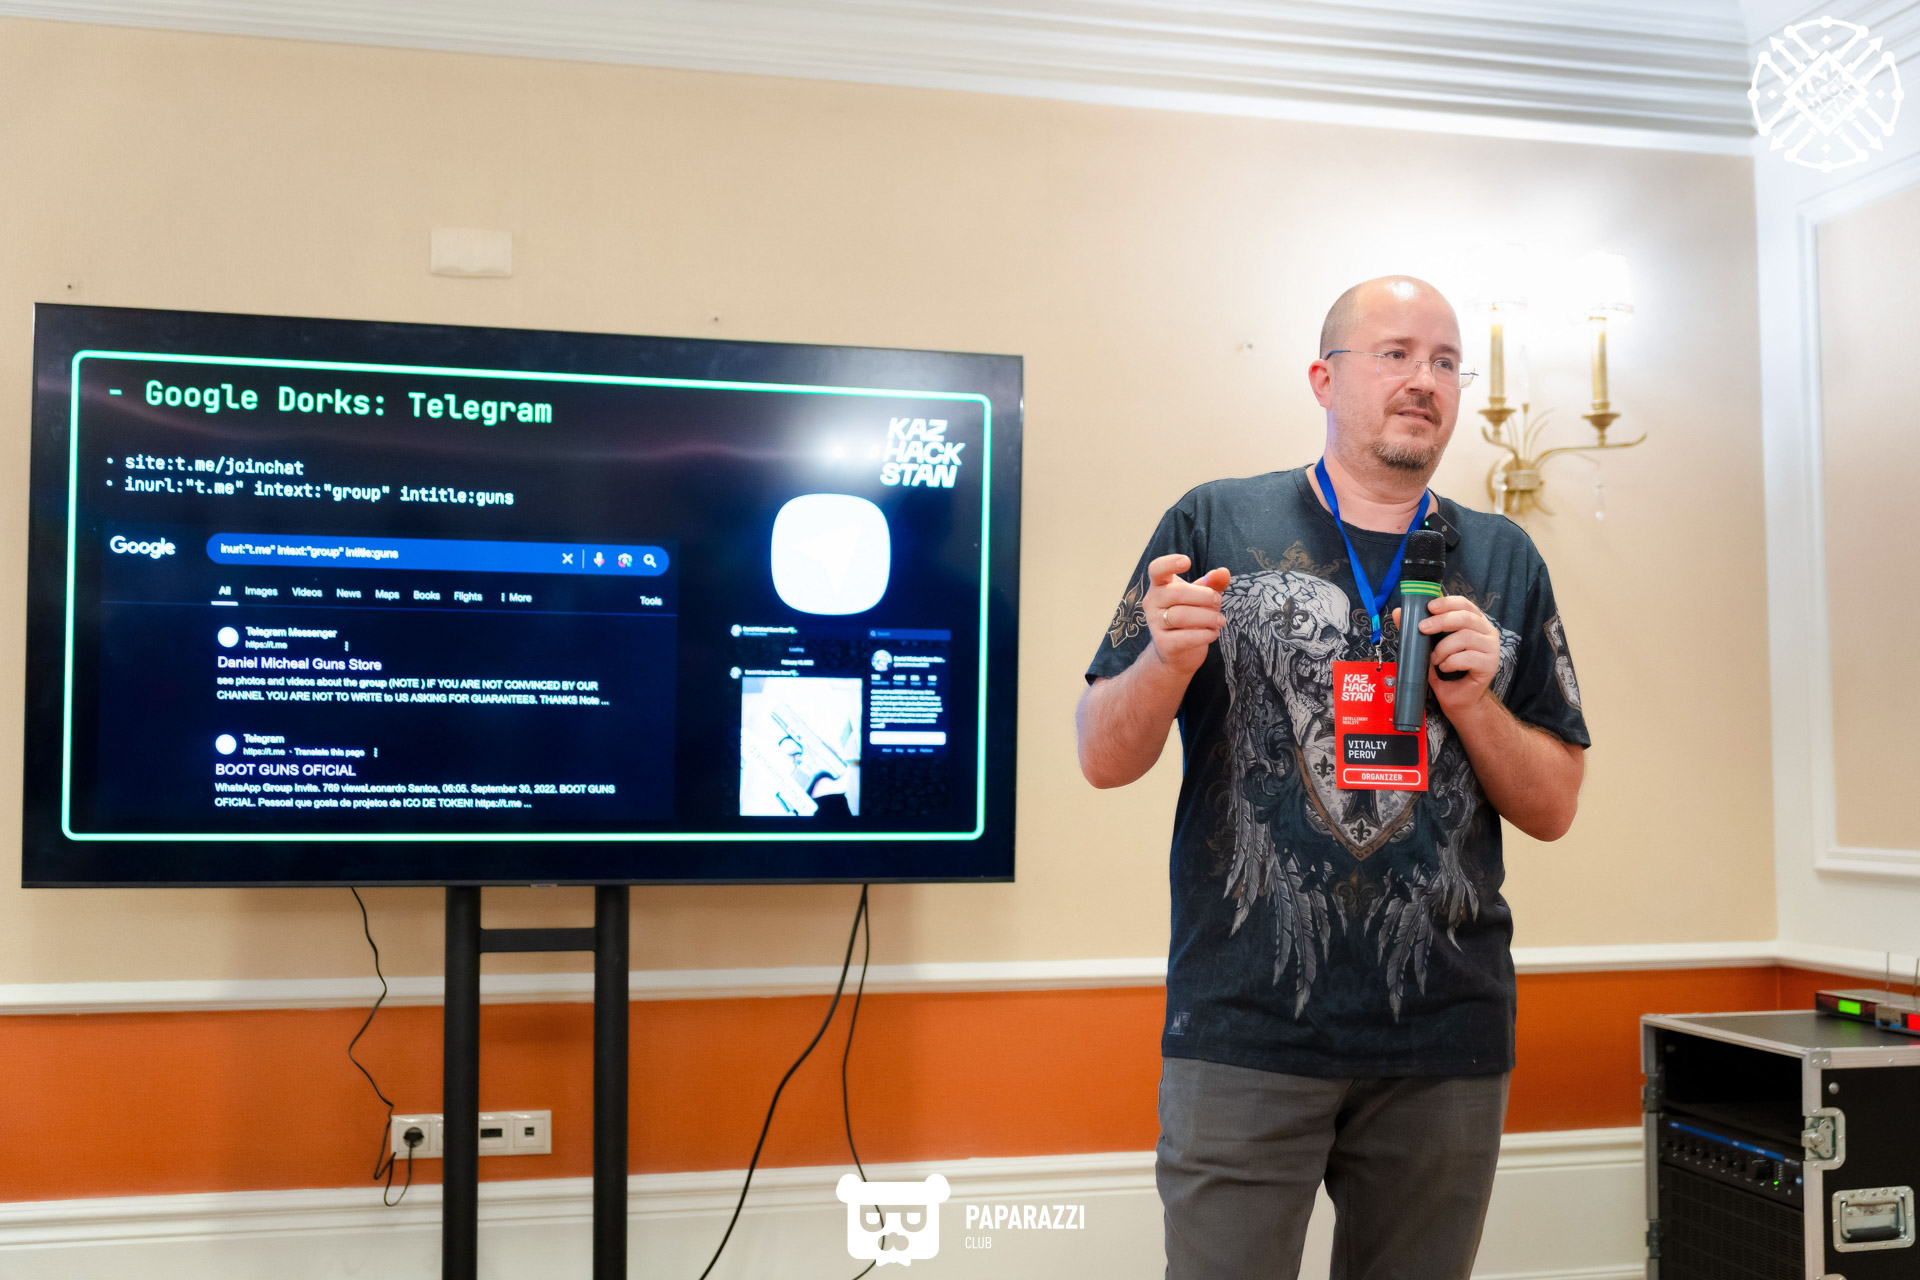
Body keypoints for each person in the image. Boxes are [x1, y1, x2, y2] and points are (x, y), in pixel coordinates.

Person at [1076, 276, 1588, 1280]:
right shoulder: (1215, 523)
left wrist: (1476, 702)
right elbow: (1101, 755)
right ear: (1324, 377)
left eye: (1446, 362)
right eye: (1396, 353)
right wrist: (1164, 662)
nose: (1424, 379)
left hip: (1445, 1033)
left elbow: (1555, 805)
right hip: (1244, 1024)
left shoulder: (1503, 556)